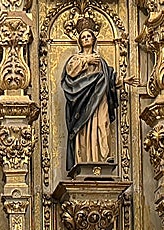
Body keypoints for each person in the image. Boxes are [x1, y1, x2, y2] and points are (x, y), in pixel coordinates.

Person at [61, 18, 118, 172]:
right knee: (84, 129)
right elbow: (70, 73)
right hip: (83, 100)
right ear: (80, 41)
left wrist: (122, 81)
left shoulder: (101, 61)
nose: (86, 39)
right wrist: (86, 60)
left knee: (102, 124)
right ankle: (84, 160)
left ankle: (103, 157)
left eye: (89, 36)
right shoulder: (76, 59)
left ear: (94, 39)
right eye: (83, 37)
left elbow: (109, 79)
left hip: (100, 99)